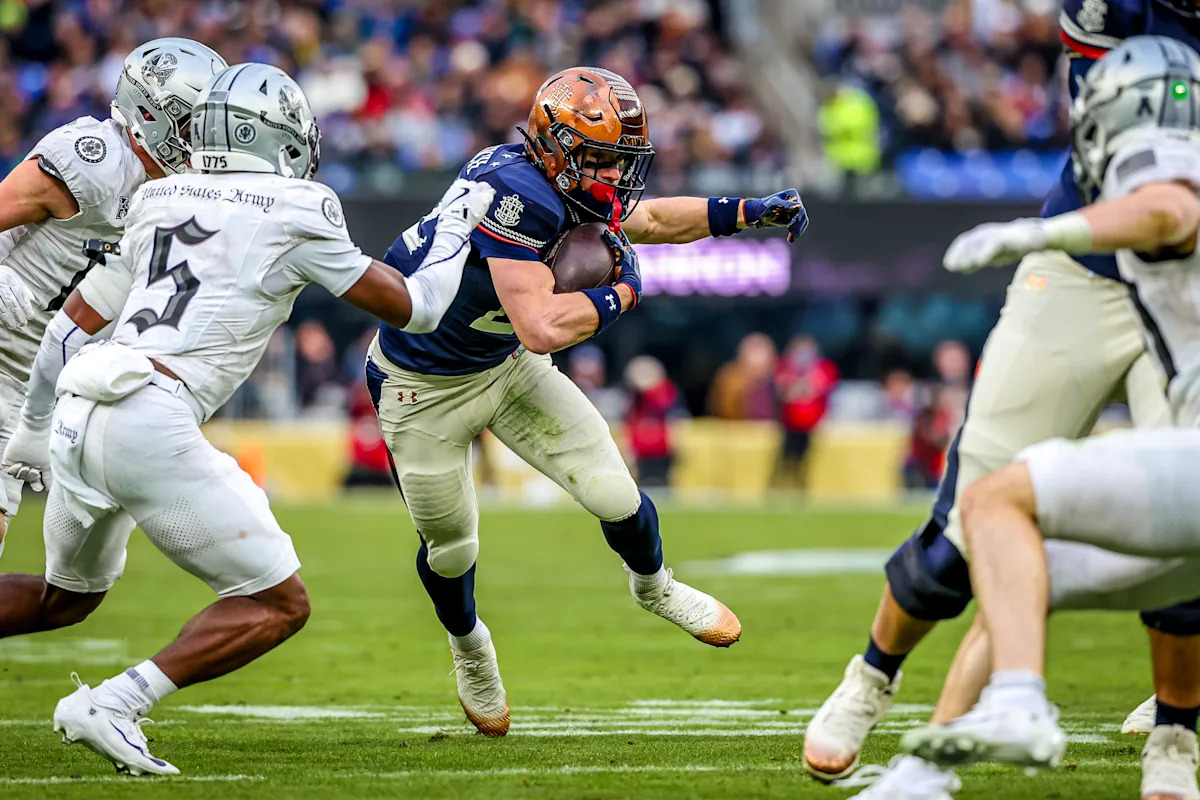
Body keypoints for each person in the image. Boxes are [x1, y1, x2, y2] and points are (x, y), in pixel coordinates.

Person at [0, 63, 495, 776]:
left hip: (81, 406)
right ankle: (114, 703)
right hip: (149, 413)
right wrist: (453, 227)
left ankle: (111, 701)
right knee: (277, 604)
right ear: (276, 137)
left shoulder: (159, 196)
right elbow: (416, 307)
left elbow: (70, 330)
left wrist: (33, 428)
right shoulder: (298, 205)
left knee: (61, 600)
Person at [802, 1, 1200, 786]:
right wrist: (1052, 234)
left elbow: (1176, 210)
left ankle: (1175, 732)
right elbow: (1159, 193)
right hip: (1088, 262)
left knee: (1182, 540)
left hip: (1182, 279)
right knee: (967, 518)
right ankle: (872, 677)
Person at [364, 66, 810, 737]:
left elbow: (652, 217)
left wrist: (745, 212)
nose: (611, 173)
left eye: (617, 158)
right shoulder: (519, 195)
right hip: (422, 388)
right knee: (452, 547)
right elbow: (540, 326)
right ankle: (470, 649)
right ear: (554, 146)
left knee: (616, 494)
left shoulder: (561, 180)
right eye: (599, 156)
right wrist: (624, 293)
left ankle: (655, 587)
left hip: (505, 368)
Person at [0, 38, 226, 557]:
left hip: (42, 374)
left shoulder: (174, 189)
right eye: (193, 124)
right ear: (152, 113)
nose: (205, 139)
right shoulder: (97, 162)